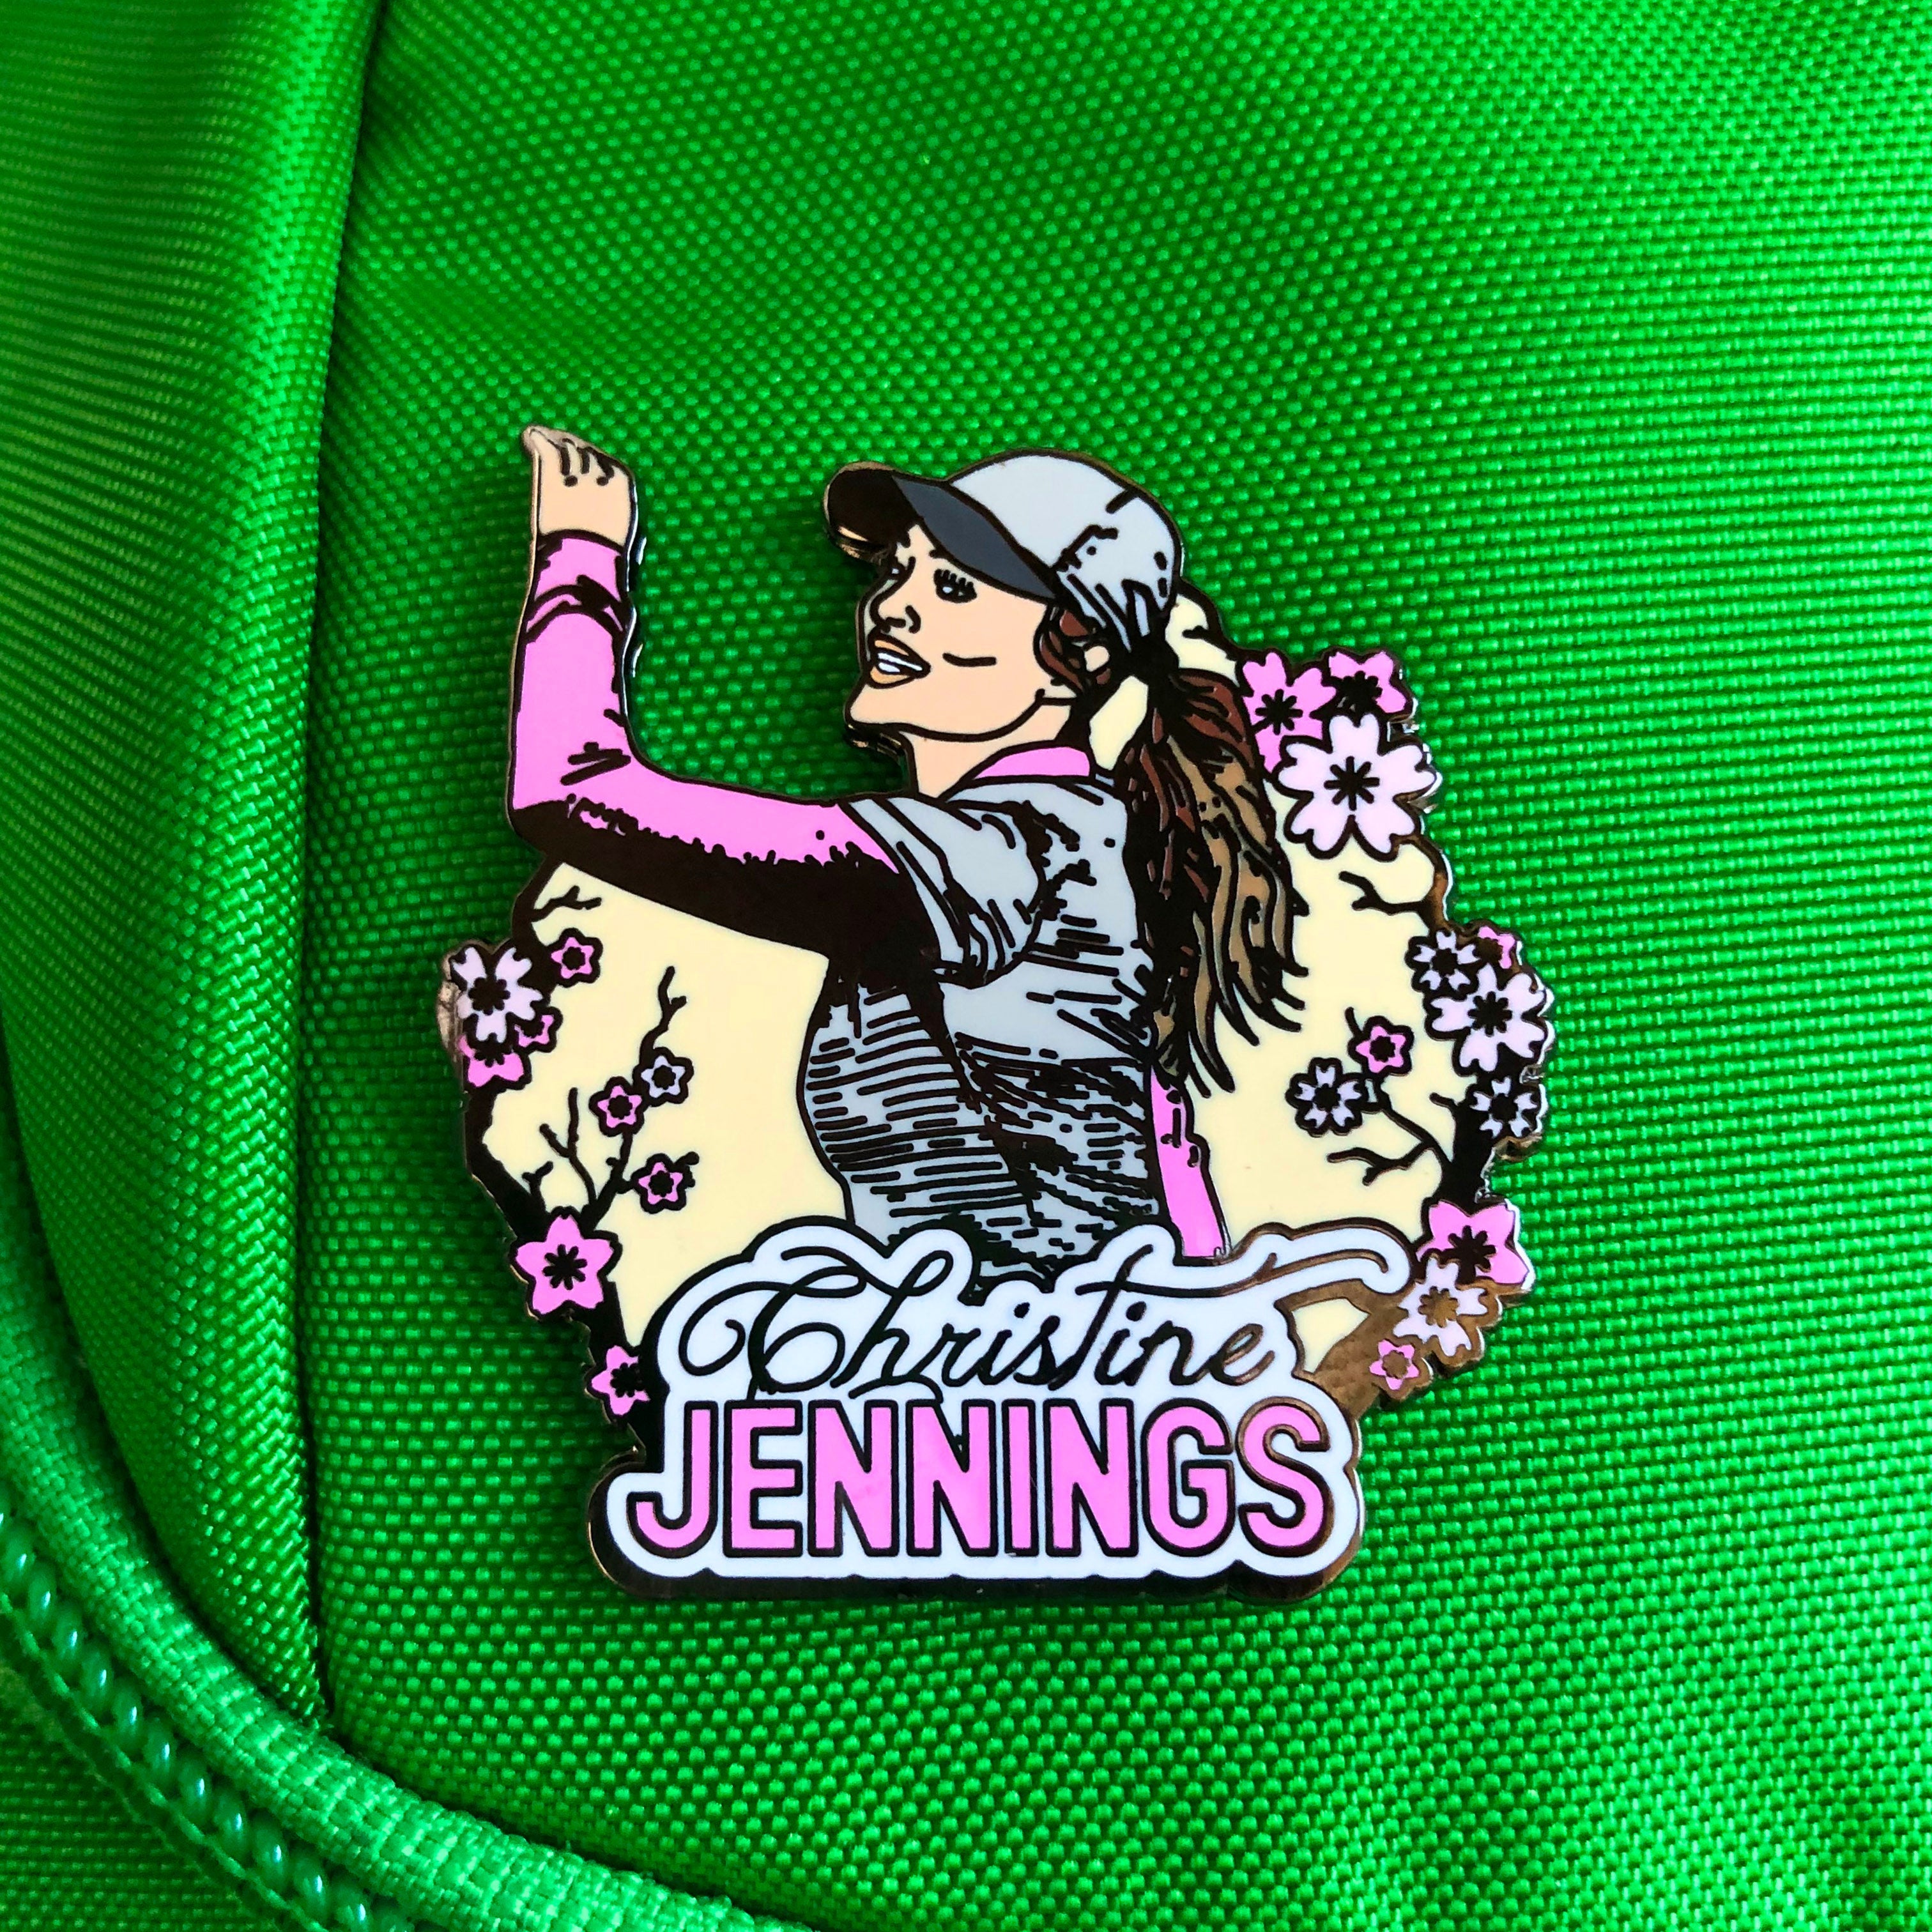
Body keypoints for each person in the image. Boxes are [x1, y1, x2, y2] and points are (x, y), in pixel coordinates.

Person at [507, 428, 1301, 1273]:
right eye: (898, 571)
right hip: (1008, 1334)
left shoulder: (1003, 851)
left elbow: (571, 790)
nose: (892, 607)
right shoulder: (1061, 834)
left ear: (1077, 659)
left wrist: (580, 555)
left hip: (1045, 1331)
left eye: (954, 586)